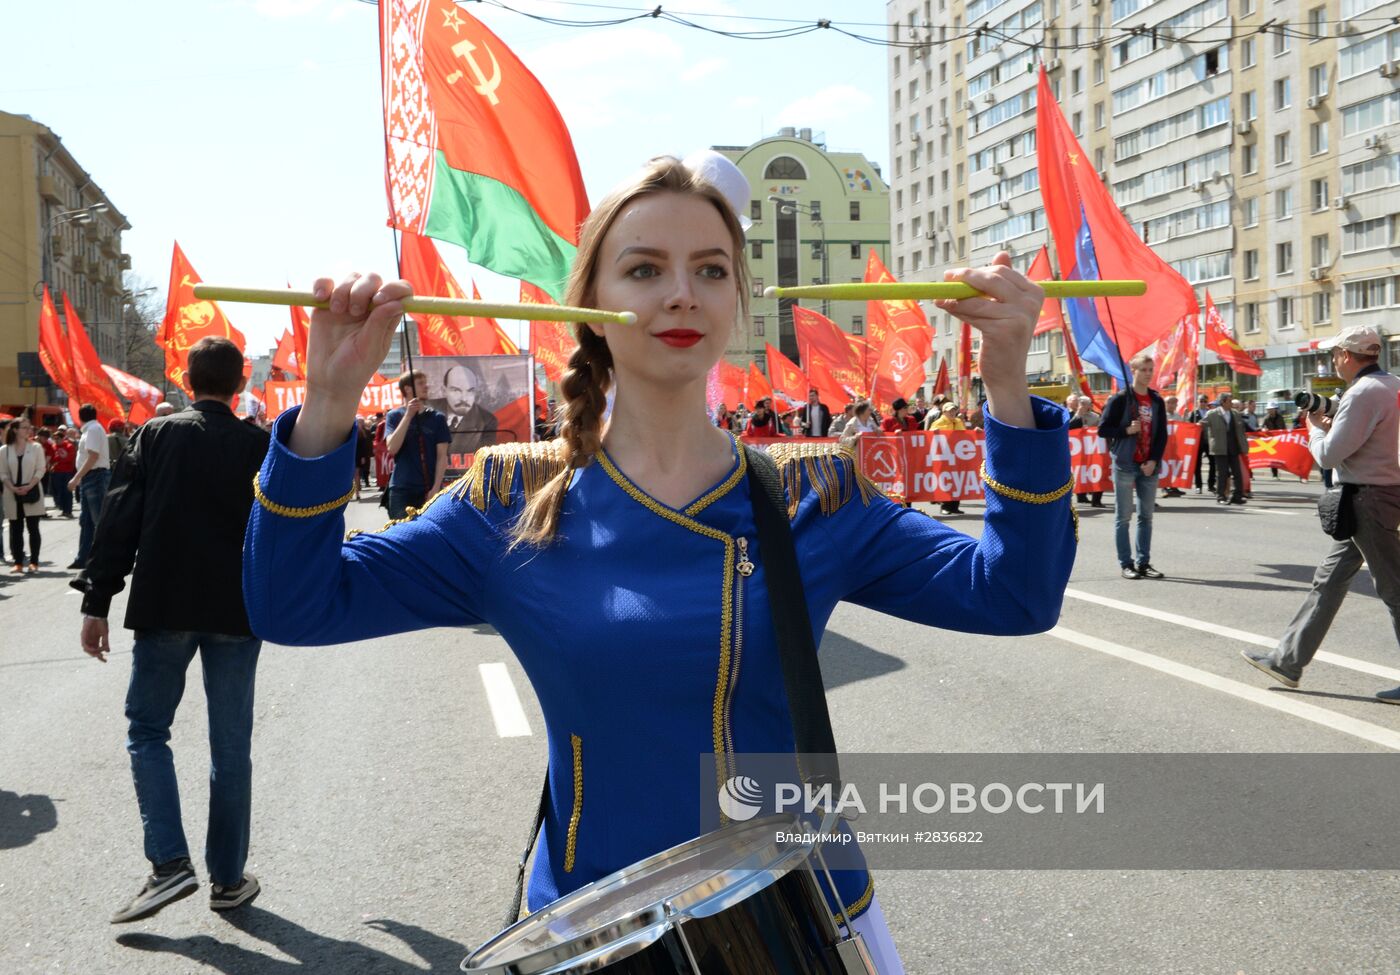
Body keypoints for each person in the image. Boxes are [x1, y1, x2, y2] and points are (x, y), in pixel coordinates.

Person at [241, 156, 1076, 972]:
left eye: (711, 270)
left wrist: (1006, 385)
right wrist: (326, 407)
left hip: (803, 920)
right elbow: (295, 606)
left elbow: (1014, 594)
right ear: (594, 306)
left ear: (736, 301)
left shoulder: (814, 494)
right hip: (593, 928)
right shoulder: (511, 500)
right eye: (645, 269)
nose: (682, 292)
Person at [73, 337, 270, 922]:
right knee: (231, 748)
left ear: (186, 379)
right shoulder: (261, 445)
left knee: (147, 730)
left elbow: (120, 515)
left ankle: (168, 865)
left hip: (165, 606)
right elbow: (281, 531)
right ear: (239, 386)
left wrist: (97, 599)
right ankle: (229, 881)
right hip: (238, 610)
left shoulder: (155, 435)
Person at [1240, 325, 1400, 703]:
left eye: (1335, 355)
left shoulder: (1362, 392)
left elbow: (1328, 456)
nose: (1334, 361)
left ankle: (1288, 661)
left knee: (1395, 591)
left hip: (1366, 500)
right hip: (1379, 496)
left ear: (1345, 355)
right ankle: (1287, 662)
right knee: (1327, 582)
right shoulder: (1392, 384)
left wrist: (1314, 431)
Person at [1098, 355, 1168, 580]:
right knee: (1123, 517)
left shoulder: (1156, 401)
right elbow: (1103, 429)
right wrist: (1125, 430)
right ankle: (1126, 563)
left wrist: (1154, 460)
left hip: (1148, 466)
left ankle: (1144, 562)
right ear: (1133, 371)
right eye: (1144, 369)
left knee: (1146, 517)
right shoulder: (1121, 399)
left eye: (1150, 369)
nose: (1148, 373)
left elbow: (1162, 435)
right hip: (1125, 464)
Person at [383, 370, 450, 520]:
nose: (426, 387)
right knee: (401, 534)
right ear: (407, 389)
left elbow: (442, 457)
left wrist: (436, 488)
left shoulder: (437, 418)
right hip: (401, 490)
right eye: (420, 383)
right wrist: (408, 415)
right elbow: (392, 448)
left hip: (428, 489)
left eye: (425, 383)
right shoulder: (394, 416)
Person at [69, 404, 112, 570]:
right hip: (91, 477)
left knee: (98, 521)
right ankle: (84, 557)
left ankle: (107, 558)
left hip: (95, 476)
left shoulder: (93, 429)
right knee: (86, 521)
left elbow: (93, 456)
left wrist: (76, 478)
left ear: (80, 417)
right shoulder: (91, 429)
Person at [1, 415, 46, 572]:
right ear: (15, 430)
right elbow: (3, 473)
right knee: (15, 528)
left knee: (33, 528)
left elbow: (41, 469)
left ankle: (34, 562)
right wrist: (12, 487)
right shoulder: (4, 450)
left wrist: (29, 485)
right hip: (12, 493)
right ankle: (18, 562)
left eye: (29, 428)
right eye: (25, 428)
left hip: (31, 491)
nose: (29, 430)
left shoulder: (36, 447)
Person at [428, 362, 499, 456]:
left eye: (470, 391)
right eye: (456, 390)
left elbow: (483, 461)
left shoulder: (487, 421)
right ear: (444, 390)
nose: (464, 398)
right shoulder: (428, 410)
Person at [1205, 393, 1248, 505]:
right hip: (1220, 448)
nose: (1232, 403)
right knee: (1222, 473)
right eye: (1229, 401)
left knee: (1237, 473)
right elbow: (1201, 425)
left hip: (1234, 448)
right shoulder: (1212, 414)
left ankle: (1237, 496)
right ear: (1223, 402)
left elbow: (1242, 431)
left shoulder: (1235, 414)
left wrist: (1244, 447)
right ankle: (1221, 496)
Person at [1067, 397, 1105, 508]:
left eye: (1085, 403)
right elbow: (1068, 427)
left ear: (1090, 405)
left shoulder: (1095, 417)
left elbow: (1101, 430)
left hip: (1092, 450)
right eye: (1081, 403)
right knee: (1079, 473)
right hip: (1076, 451)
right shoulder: (1069, 415)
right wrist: (1078, 415)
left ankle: (1096, 500)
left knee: (1096, 472)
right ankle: (1080, 496)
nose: (1083, 405)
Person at [1187, 392, 1214, 494]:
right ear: (1197, 402)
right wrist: (1196, 424)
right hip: (1197, 442)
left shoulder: (1210, 412)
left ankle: (1211, 485)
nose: (1203, 403)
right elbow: (1188, 426)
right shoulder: (1193, 413)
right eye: (1201, 401)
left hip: (1208, 441)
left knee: (1213, 463)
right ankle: (1199, 486)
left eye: (1205, 401)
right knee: (1197, 464)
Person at [49, 426, 76, 518]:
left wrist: (58, 460)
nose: (56, 440)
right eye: (54, 439)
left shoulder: (69, 446)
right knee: (58, 492)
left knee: (67, 492)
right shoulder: (53, 447)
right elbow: (51, 458)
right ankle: (63, 509)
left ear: (62, 438)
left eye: (58, 438)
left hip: (67, 472)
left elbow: (70, 458)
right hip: (56, 472)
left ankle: (68, 511)